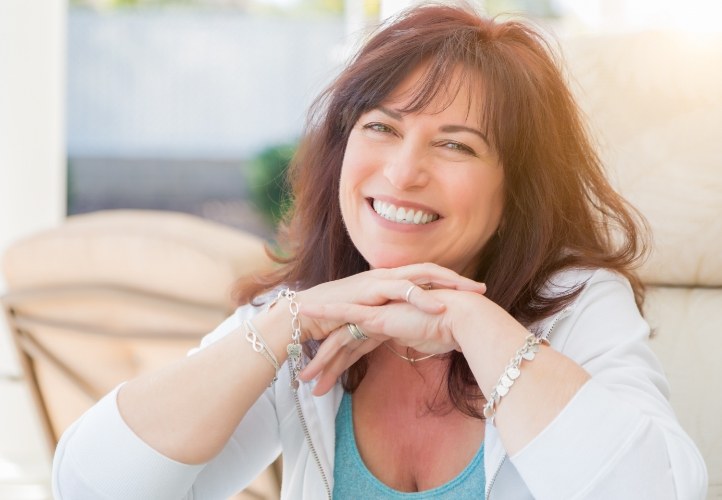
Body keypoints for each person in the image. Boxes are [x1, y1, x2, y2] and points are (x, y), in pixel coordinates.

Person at [52, 3, 707, 499]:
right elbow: (90, 485)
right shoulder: (306, 313)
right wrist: (285, 323)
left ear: (519, 190)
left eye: (455, 144)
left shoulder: (580, 304)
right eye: (381, 128)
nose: (401, 173)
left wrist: (469, 323)